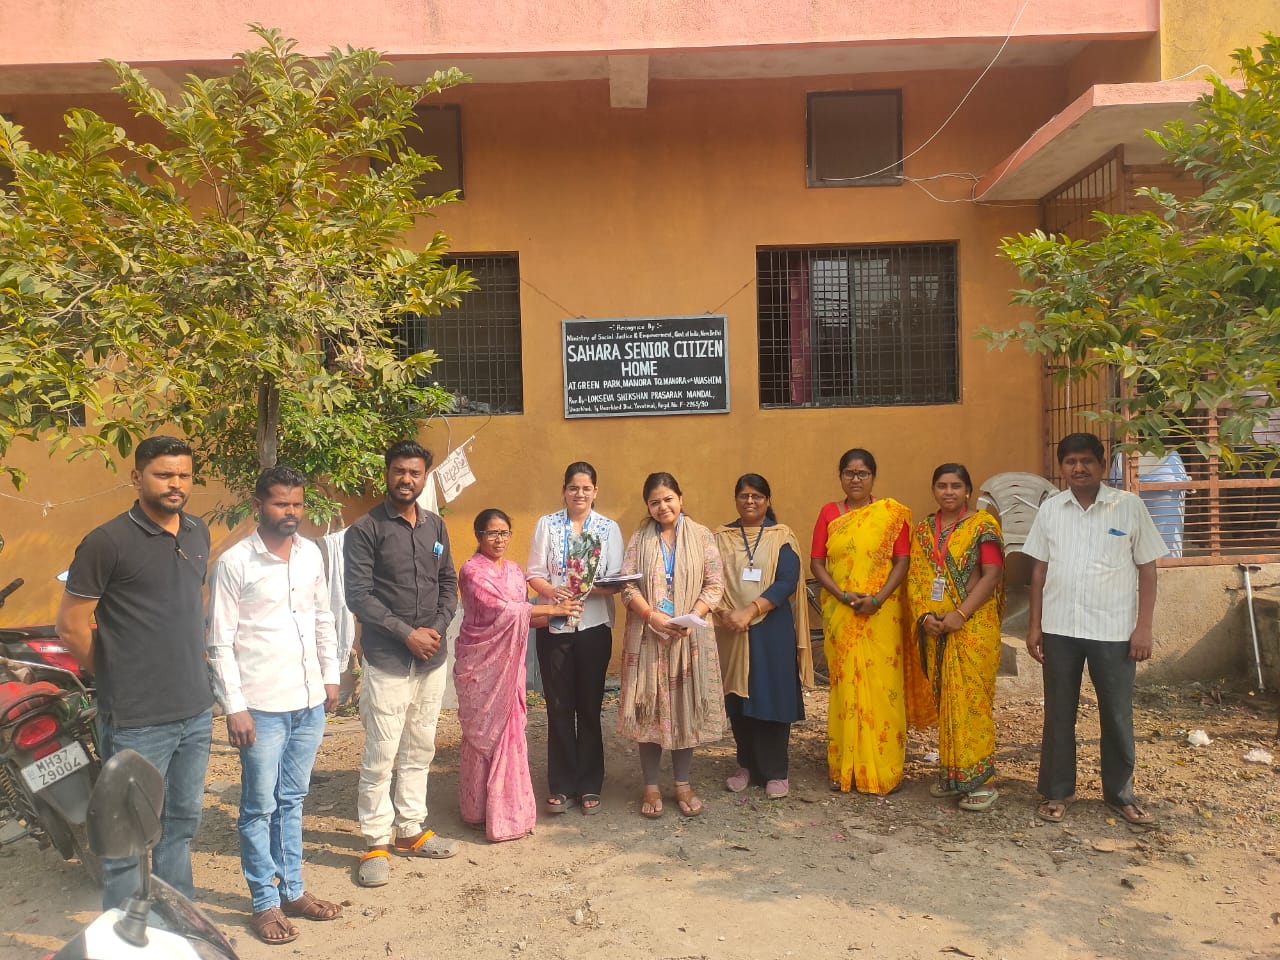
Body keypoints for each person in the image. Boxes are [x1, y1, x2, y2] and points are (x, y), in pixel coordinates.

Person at [56, 435, 214, 910]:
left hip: (195, 710)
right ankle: (124, 936)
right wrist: (114, 675)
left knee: (180, 827)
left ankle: (174, 923)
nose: (175, 484)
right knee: (126, 838)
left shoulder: (197, 531)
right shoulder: (106, 543)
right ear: (136, 477)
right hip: (137, 720)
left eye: (184, 475)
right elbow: (70, 626)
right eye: (164, 474)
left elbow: (190, 604)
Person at [206, 466, 344, 944]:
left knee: (292, 799)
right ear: (258, 505)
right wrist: (234, 706)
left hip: (308, 701)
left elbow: (323, 617)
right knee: (258, 807)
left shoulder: (311, 554)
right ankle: (264, 902)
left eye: (297, 504)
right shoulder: (235, 562)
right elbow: (219, 641)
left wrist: (330, 675)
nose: (291, 512)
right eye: (281, 503)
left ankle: (294, 891)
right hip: (261, 707)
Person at [1024, 432, 1167, 826]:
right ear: (1062, 467)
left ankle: (1120, 795)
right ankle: (1058, 791)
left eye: (1087, 460)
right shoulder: (1051, 509)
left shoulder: (1128, 507)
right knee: (1058, 714)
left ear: (1102, 465)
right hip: (1060, 628)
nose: (1079, 468)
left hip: (1114, 630)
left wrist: (1143, 628)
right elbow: (1038, 572)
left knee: (1117, 714)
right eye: (1071, 462)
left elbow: (1148, 570)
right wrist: (1034, 626)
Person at [344, 440, 459, 888]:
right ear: (387, 474)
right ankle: (376, 840)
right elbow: (359, 596)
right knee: (381, 754)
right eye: (399, 471)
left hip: (431, 659)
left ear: (424, 477)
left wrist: (436, 629)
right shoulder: (365, 529)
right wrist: (407, 634)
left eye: (414, 472)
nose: (406, 479)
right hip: (389, 659)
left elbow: (447, 582)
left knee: (420, 746)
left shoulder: (435, 525)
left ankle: (410, 828)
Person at [810, 448, 932, 795]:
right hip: (842, 613)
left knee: (883, 690)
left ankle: (885, 769)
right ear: (840, 477)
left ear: (873, 477)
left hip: (882, 615)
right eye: (849, 473)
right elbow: (817, 562)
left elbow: (902, 561)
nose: (855, 479)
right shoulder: (828, 513)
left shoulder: (891, 515)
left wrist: (877, 599)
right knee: (845, 690)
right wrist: (843, 596)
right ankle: (845, 768)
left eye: (862, 473)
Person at [456, 509, 582, 841]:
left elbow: (524, 618)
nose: (499, 539)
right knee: (482, 733)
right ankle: (476, 808)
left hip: (509, 668)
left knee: (509, 733)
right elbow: (503, 611)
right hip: (479, 665)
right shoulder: (471, 571)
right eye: (492, 533)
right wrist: (553, 608)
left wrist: (563, 614)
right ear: (479, 536)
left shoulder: (514, 571)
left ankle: (507, 816)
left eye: (504, 533)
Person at [617, 472, 725, 818]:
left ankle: (682, 783)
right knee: (650, 709)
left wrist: (692, 617)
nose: (662, 506)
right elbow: (627, 586)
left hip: (688, 637)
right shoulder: (639, 539)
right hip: (649, 636)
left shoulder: (702, 536)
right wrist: (652, 616)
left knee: (683, 707)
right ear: (647, 506)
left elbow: (715, 584)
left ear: (681, 498)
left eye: (668, 499)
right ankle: (650, 785)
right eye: (655, 502)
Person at [906, 463, 1005, 812]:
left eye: (956, 486)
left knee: (971, 703)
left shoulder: (982, 525)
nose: (948, 492)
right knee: (947, 704)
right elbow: (916, 579)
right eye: (942, 486)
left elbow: (992, 575)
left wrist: (959, 615)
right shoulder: (923, 530)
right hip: (936, 630)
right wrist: (925, 617)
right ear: (934, 489)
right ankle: (953, 774)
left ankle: (981, 781)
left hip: (972, 629)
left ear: (967, 491)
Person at [526, 462, 624, 815]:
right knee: (558, 706)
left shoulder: (608, 528)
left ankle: (590, 783)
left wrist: (585, 588)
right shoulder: (547, 525)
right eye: (573, 488)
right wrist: (554, 592)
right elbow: (534, 573)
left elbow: (616, 579)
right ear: (564, 490)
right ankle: (561, 784)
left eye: (586, 488)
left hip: (594, 627)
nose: (579, 494)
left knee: (590, 706)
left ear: (595, 491)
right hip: (555, 627)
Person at [712, 473, 813, 799]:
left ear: (767, 500)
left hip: (771, 629)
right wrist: (725, 613)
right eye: (744, 495)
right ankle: (746, 766)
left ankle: (775, 771)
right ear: (736, 499)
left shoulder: (781, 536)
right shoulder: (722, 536)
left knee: (772, 695)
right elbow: (710, 576)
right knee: (738, 698)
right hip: (732, 630)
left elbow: (787, 581)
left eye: (757, 495)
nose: (750, 501)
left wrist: (750, 611)